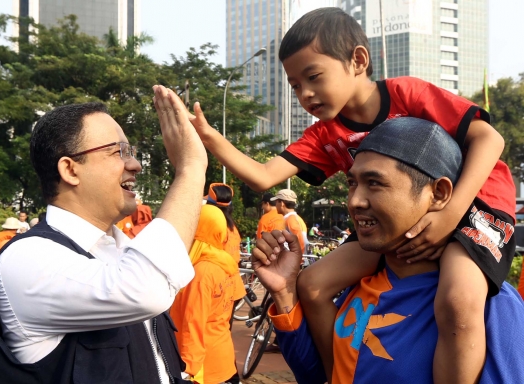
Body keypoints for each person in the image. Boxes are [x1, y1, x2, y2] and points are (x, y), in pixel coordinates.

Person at [186, 8, 516, 382]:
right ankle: (337, 374)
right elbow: (264, 177)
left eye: (313, 77)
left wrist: (450, 215)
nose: (305, 94)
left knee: (458, 300)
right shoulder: (325, 134)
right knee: (311, 284)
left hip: (475, 206)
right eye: (295, 85)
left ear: (358, 60)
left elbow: (490, 138)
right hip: (398, 219)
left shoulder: (406, 93)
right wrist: (210, 137)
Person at [251, 118, 524, 384]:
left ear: (439, 193)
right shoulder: (358, 286)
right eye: (352, 183)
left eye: (375, 183)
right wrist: (284, 291)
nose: (355, 201)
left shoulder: (492, 306)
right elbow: (317, 375)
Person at [0, 85, 207, 383]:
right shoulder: (26, 259)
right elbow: (145, 290)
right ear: (71, 170)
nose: (135, 165)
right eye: (119, 152)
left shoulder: (124, 251)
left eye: (132, 152)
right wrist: (191, 167)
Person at [170, 203, 244, 384]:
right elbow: (237, 295)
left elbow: (193, 324)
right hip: (223, 356)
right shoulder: (226, 263)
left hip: (203, 367)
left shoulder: (200, 272)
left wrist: (189, 370)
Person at [272, 189, 309, 255]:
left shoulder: (291, 219)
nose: (275, 205)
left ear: (282, 203)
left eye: (276, 202)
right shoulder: (292, 218)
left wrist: (298, 261)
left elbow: (302, 242)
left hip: (294, 262)